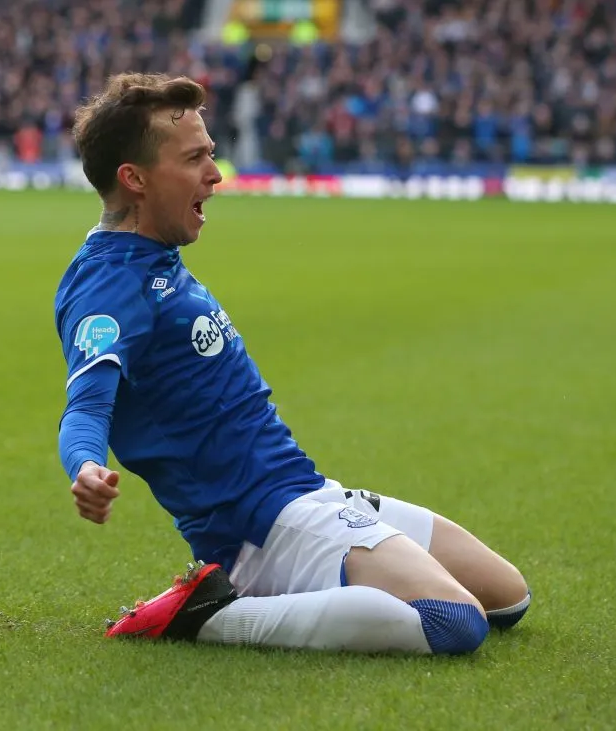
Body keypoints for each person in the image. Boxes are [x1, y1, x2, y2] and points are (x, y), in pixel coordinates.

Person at [55, 73, 531, 654]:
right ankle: (206, 615)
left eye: (211, 152)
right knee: (455, 621)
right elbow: (85, 408)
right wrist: (85, 466)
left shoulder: (154, 255)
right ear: (135, 179)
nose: (215, 174)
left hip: (303, 489)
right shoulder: (107, 287)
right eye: (195, 158)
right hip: (257, 527)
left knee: (507, 599)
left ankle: (324, 552)